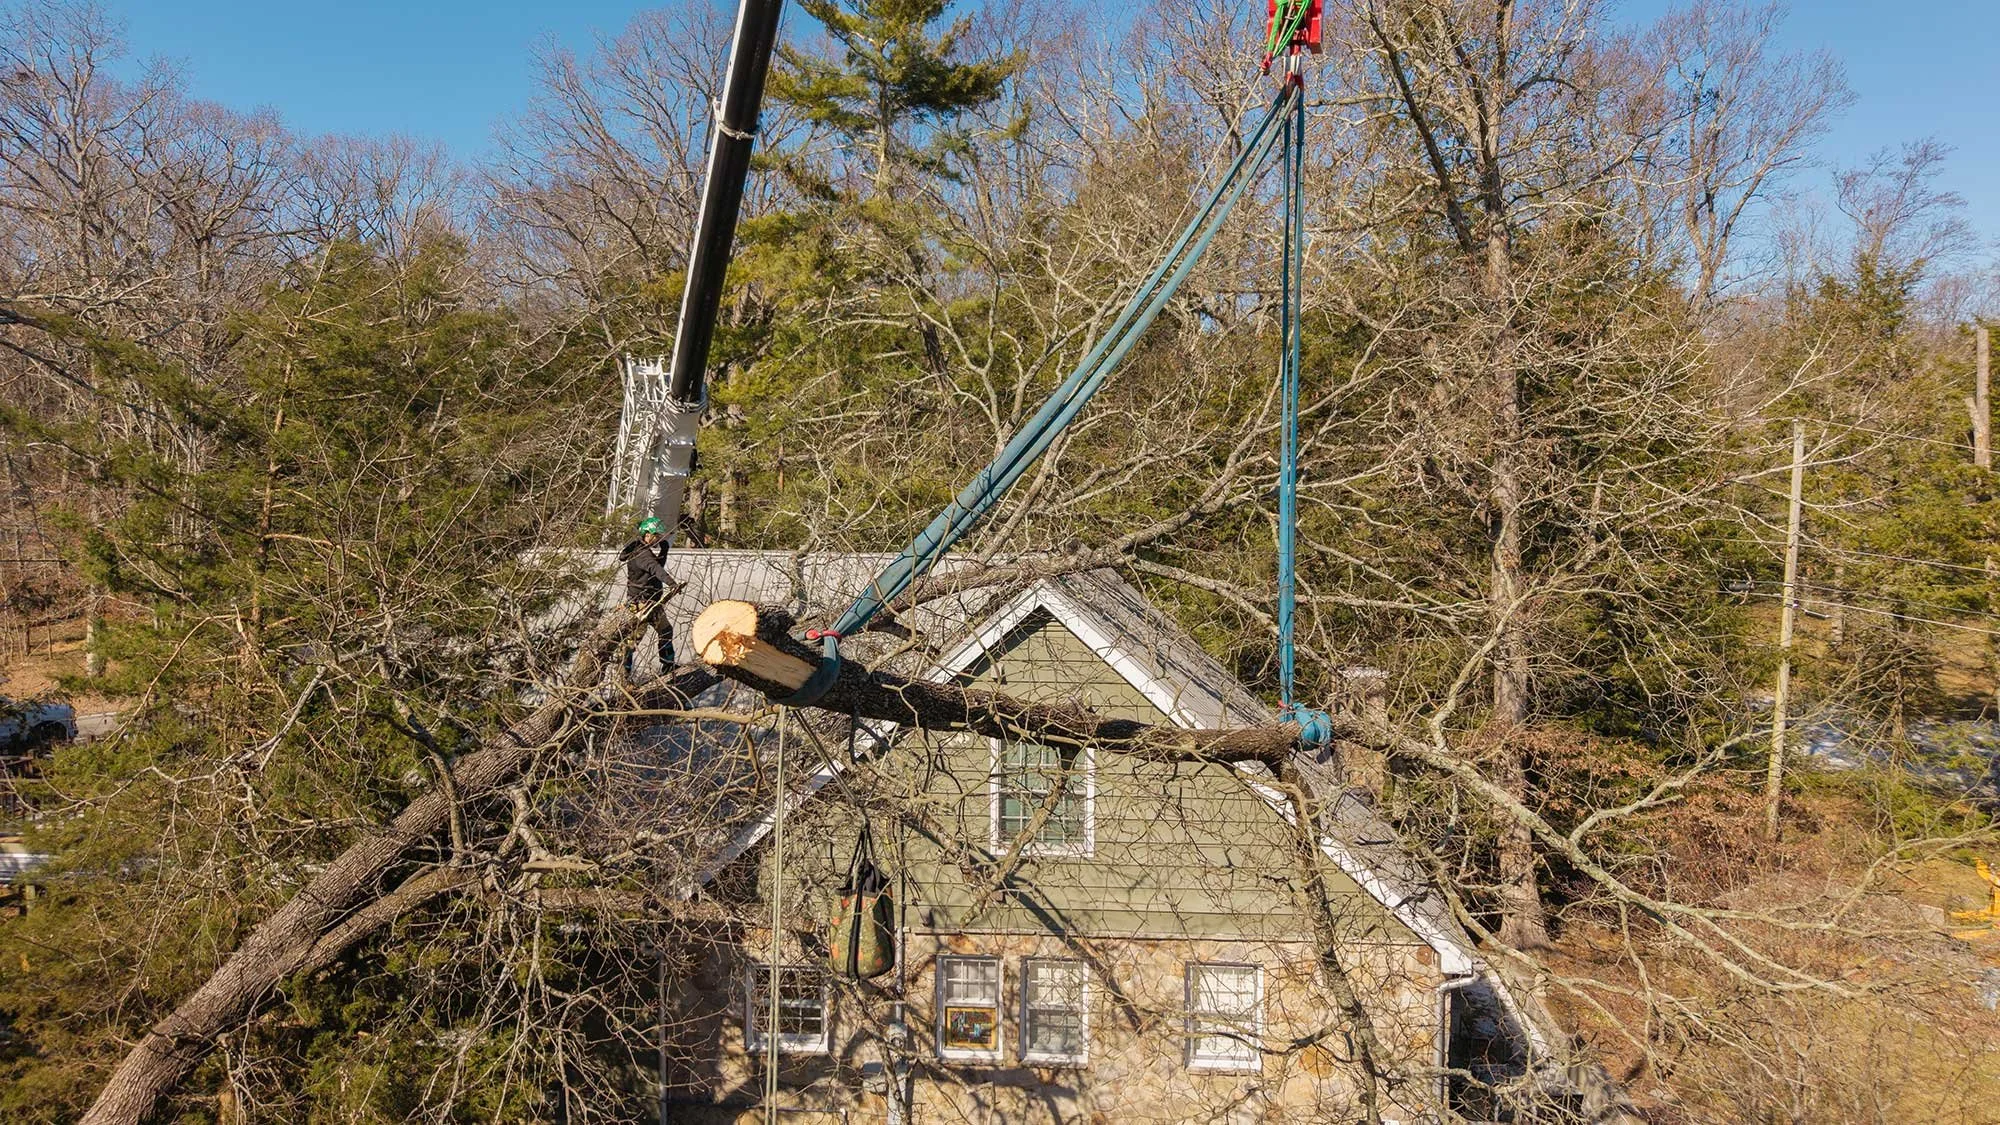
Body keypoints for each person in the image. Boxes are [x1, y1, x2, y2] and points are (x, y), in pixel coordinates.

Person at [619, 515, 683, 671]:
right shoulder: (641, 553)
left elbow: (654, 566)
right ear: (647, 534)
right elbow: (656, 569)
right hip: (641, 604)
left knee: (665, 630)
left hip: (651, 602)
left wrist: (664, 549)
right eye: (656, 536)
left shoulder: (642, 551)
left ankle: (667, 664)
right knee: (632, 641)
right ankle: (624, 674)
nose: (658, 539)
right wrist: (672, 583)